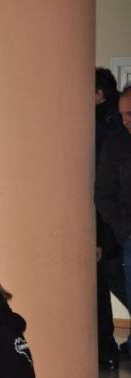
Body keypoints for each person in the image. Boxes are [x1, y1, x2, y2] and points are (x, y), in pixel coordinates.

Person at [95, 84, 131, 358]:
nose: (125, 120)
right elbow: (104, 193)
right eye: (122, 114)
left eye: (130, 114)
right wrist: (124, 230)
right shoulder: (116, 142)